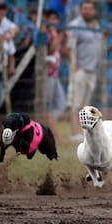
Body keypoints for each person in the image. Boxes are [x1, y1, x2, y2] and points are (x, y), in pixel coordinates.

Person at [67, 0, 102, 141]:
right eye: (85, 8)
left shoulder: (96, 25)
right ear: (81, 10)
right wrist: (75, 65)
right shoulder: (75, 25)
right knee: (75, 102)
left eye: (90, 9)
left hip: (92, 70)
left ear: (94, 11)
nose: (87, 11)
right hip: (80, 70)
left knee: (85, 104)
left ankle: (83, 133)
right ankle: (75, 132)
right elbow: (69, 47)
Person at [45, 9, 66, 141]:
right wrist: (60, 35)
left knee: (61, 104)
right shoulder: (47, 34)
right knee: (49, 105)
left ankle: (50, 129)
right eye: (51, 18)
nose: (54, 21)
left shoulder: (55, 33)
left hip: (55, 74)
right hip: (47, 74)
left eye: (55, 19)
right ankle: (52, 133)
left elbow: (60, 51)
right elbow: (51, 49)